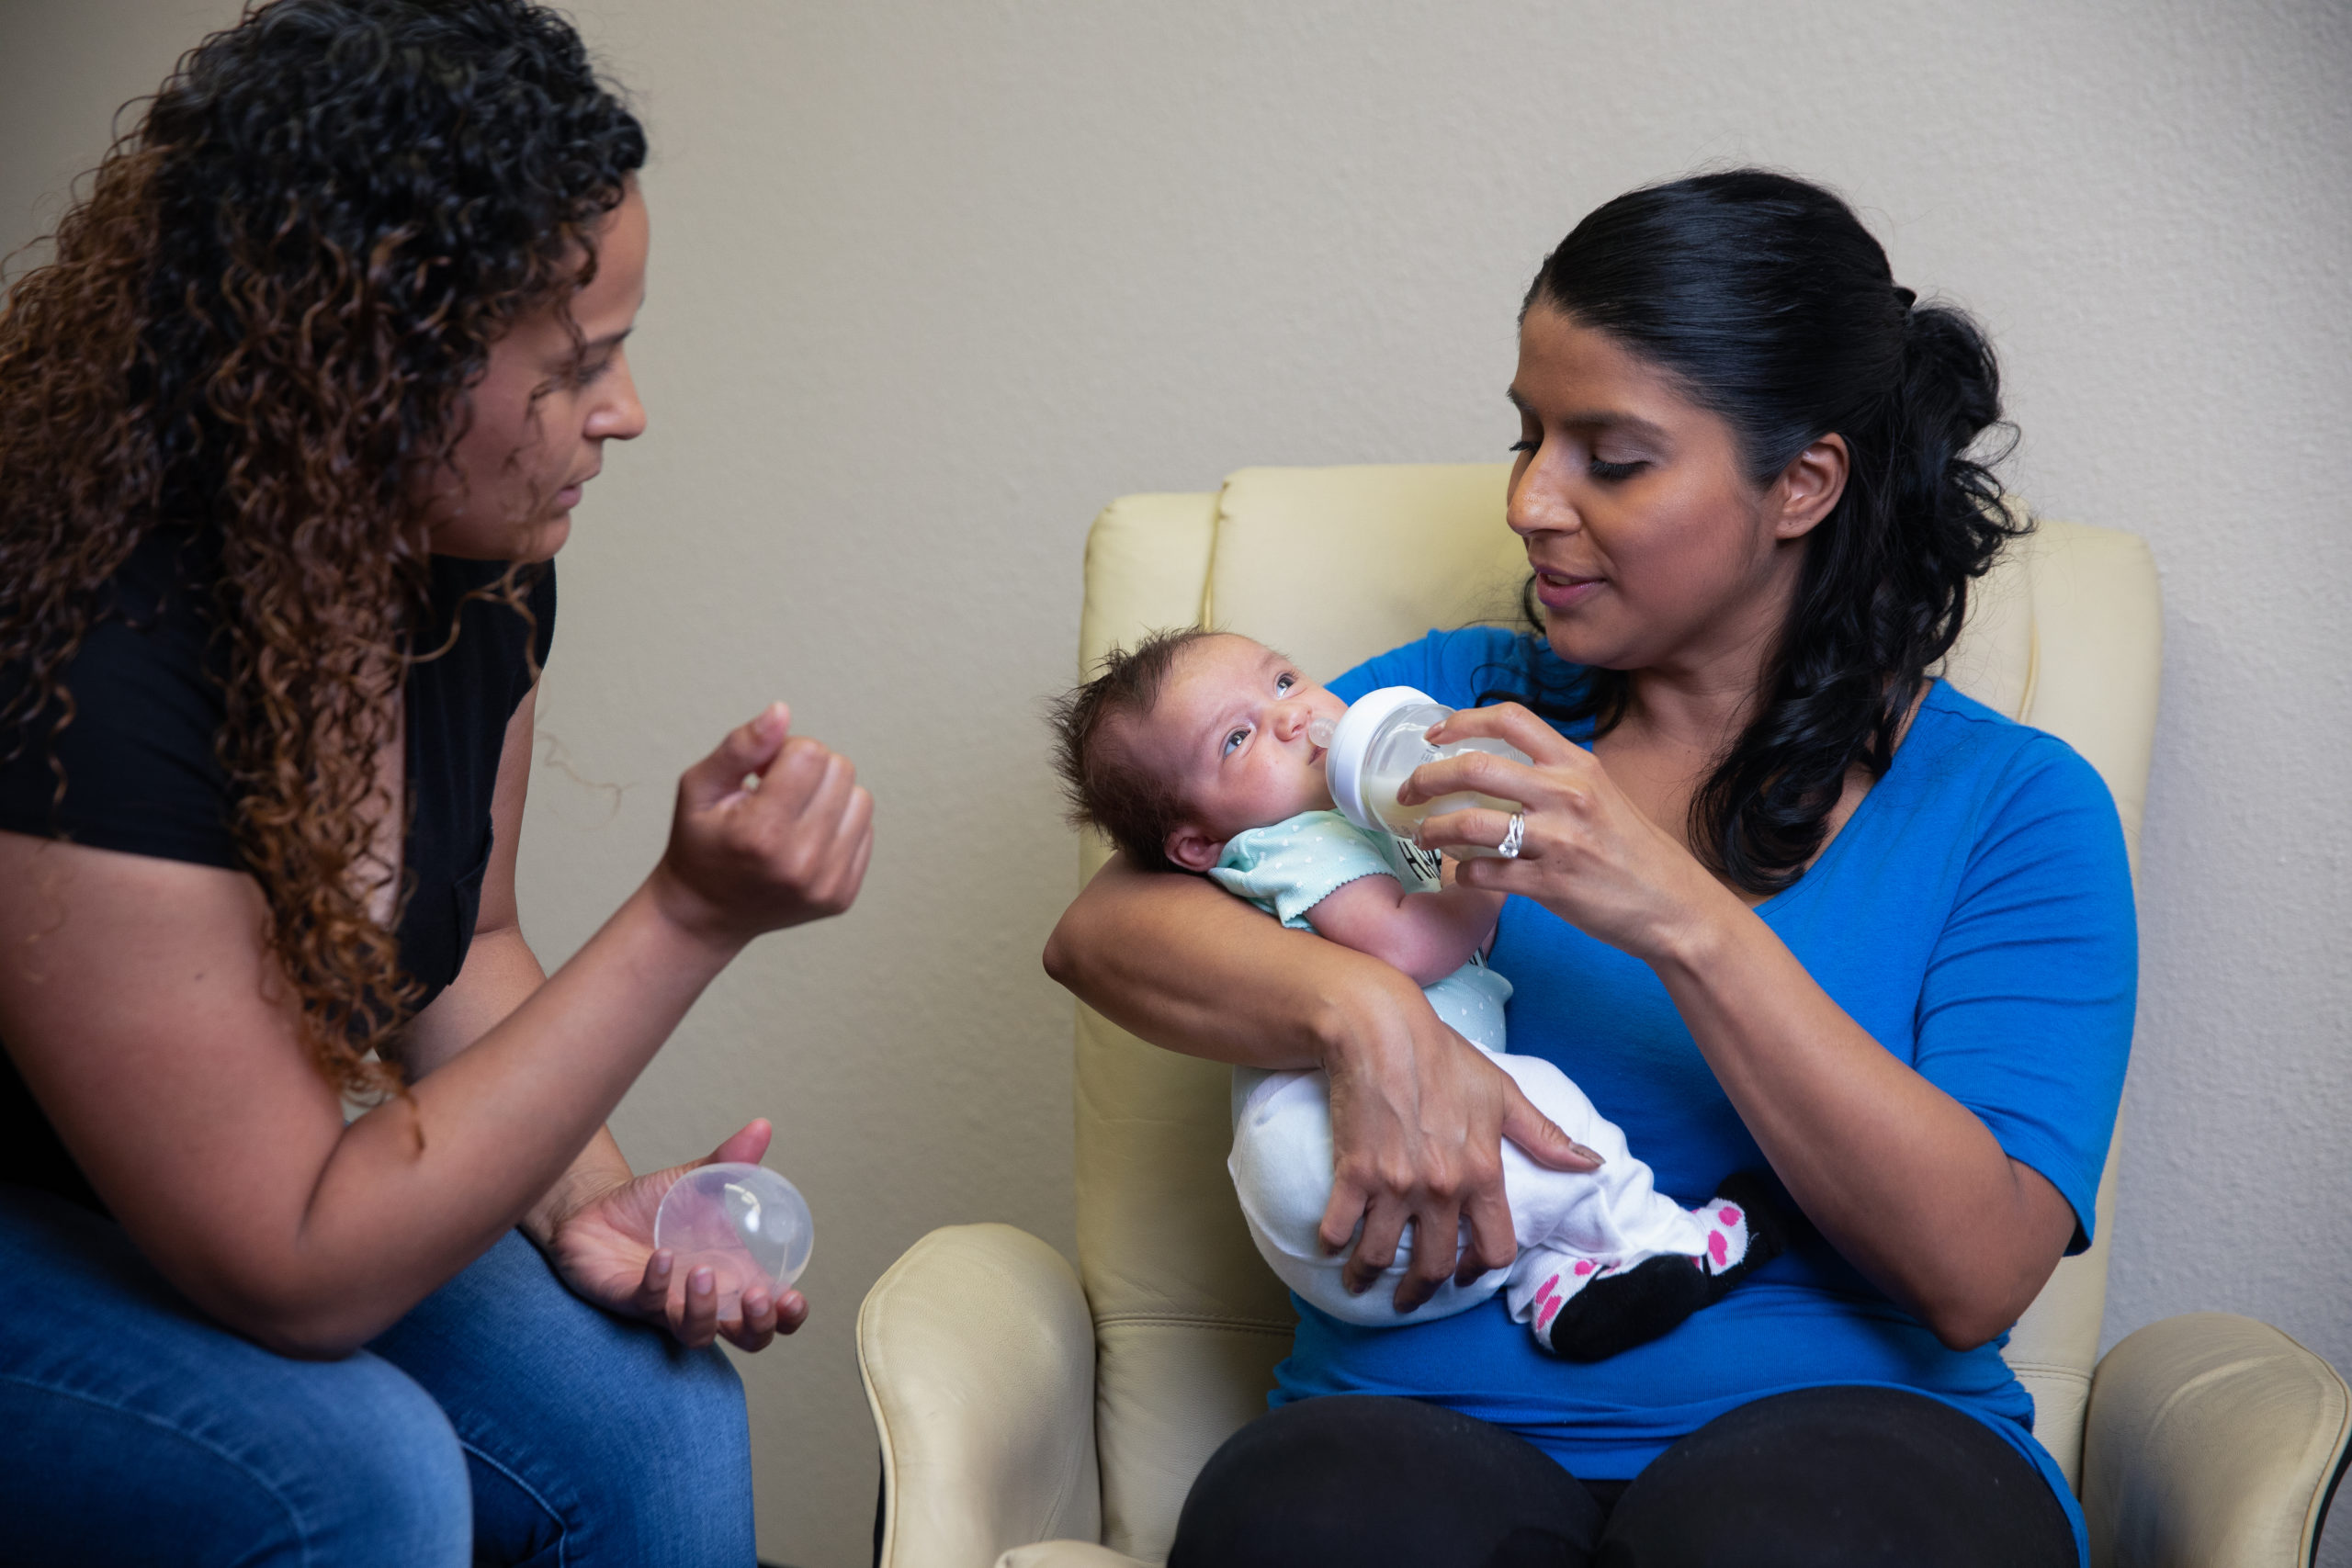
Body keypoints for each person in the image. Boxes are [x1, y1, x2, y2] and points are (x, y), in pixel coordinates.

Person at [1045, 169, 2133, 1567]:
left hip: (1855, 1435)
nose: (1528, 501)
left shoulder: (2011, 808)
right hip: (1415, 1425)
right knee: (1312, 1525)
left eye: (1608, 457)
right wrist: (1361, 1011)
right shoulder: (1439, 715)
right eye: (1526, 435)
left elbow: (1977, 1269)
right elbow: (1108, 927)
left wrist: (1683, 917)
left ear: (1802, 481)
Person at [0, 4, 873, 1564]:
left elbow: (458, 953)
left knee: (652, 1409)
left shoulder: (469, 578)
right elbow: (298, 1259)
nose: (628, 411)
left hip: (153, 1192)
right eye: (582, 363)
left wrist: (589, 1205)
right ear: (370, 358)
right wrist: (688, 914)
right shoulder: (83, 651)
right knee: (354, 1472)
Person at [1047, 626, 1781, 1360]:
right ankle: (1670, 1234)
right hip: (1325, 1148)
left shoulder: (1342, 817)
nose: (1292, 717)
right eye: (1238, 739)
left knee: (1505, 1159)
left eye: (1283, 682)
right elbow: (1407, 947)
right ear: (1197, 846)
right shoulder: (1292, 844)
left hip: (1358, 1191)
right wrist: (1476, 865)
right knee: (1544, 1105)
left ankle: (1559, 1284)